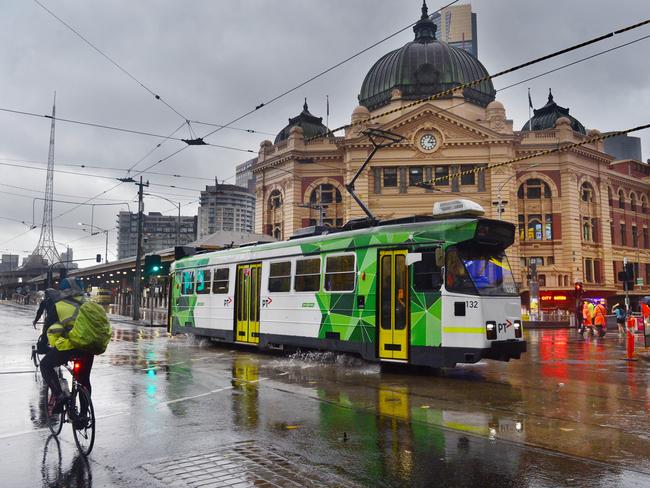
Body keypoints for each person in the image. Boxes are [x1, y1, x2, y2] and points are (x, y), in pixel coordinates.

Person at [39, 278, 94, 421]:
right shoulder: (90, 304)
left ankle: (59, 395)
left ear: (63, 290)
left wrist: (43, 344)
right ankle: (83, 414)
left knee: (45, 365)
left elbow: (47, 328)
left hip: (68, 347)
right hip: (88, 347)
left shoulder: (59, 305)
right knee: (84, 379)